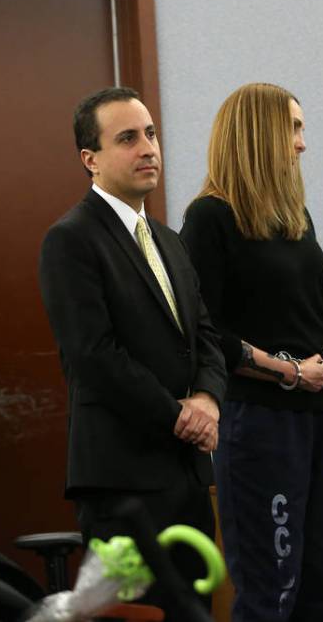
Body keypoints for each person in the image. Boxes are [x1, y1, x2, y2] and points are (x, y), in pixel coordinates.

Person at [180, 82, 323, 622]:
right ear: (258, 133)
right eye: (293, 128)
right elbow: (204, 332)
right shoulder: (209, 218)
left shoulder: (296, 216)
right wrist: (288, 372)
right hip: (264, 423)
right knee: (274, 593)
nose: (302, 144)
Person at [38, 87, 227, 618]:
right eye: (127, 138)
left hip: (185, 474)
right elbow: (93, 355)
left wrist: (209, 399)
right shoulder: (71, 239)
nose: (147, 148)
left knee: (193, 613)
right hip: (122, 480)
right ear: (89, 159)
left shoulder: (168, 240)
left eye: (150, 134)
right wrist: (179, 415)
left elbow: (206, 336)